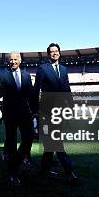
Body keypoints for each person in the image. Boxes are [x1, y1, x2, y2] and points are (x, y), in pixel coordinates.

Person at [33, 43, 79, 185]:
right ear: (48, 54)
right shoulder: (43, 68)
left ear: (59, 53)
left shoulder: (64, 69)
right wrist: (35, 110)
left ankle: (43, 169)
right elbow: (36, 90)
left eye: (56, 51)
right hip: (46, 112)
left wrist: (70, 107)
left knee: (49, 143)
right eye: (52, 52)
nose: (54, 53)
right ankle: (69, 171)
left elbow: (67, 89)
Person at [0, 51, 37, 186]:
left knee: (29, 137)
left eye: (15, 59)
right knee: (12, 143)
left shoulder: (26, 75)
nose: (12, 61)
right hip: (10, 113)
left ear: (20, 60)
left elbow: (30, 94)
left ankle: (18, 161)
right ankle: (12, 172)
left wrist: (34, 111)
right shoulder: (3, 75)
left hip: (25, 113)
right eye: (11, 59)